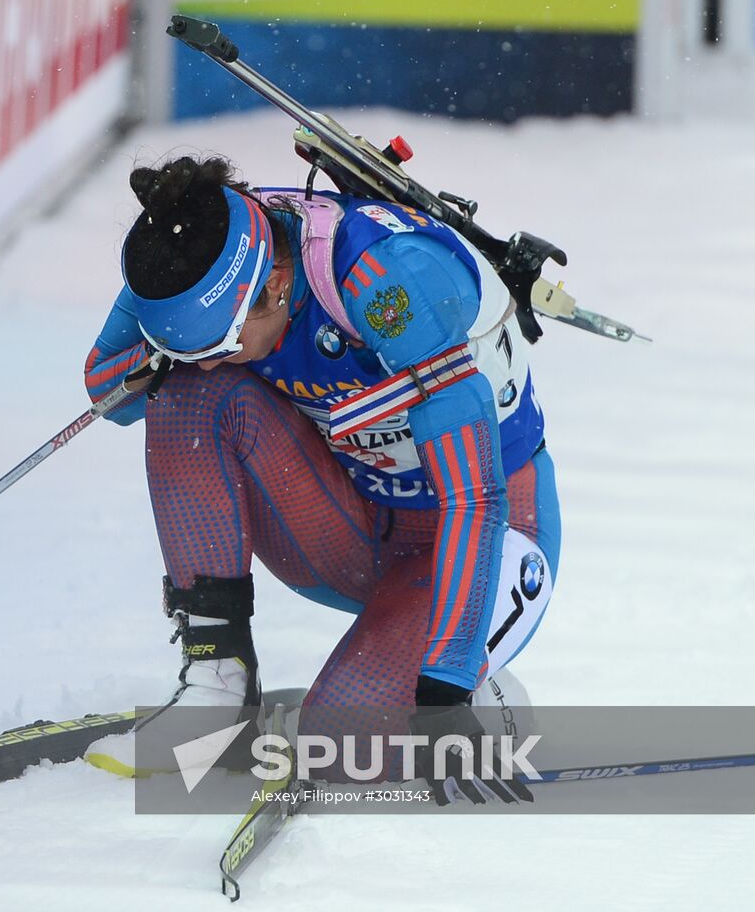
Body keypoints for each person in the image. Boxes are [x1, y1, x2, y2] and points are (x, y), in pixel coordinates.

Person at [82, 155, 559, 802]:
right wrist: (167, 359)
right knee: (188, 395)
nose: (216, 360)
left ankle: (489, 692)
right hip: (355, 531)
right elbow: (111, 393)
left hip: (484, 541)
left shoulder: (391, 284)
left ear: (276, 282)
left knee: (337, 749)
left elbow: (473, 499)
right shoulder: (195, 246)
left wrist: (446, 685)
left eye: (220, 343)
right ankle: (218, 682)